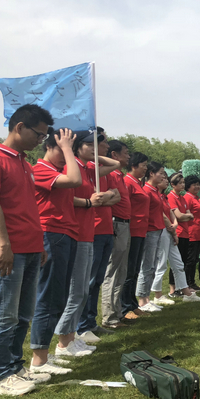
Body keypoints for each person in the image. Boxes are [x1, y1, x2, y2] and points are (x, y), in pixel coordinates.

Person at [0, 105, 52, 395]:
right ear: (20, 127)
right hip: (8, 250)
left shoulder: (25, 164)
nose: (40, 140)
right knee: (6, 315)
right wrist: (4, 245)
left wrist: (39, 243)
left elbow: (29, 207)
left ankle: (14, 366)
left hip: (31, 248)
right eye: (39, 134)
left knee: (23, 315)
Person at [53, 129, 119, 357]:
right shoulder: (71, 168)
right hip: (76, 233)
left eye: (96, 144)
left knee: (81, 290)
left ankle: (70, 338)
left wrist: (93, 155)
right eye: (89, 145)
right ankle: (64, 342)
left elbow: (114, 164)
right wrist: (89, 202)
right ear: (77, 146)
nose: (95, 148)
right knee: (76, 291)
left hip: (88, 234)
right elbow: (63, 198)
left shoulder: (89, 168)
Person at [30, 128, 82, 375]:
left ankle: (43, 355)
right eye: (61, 150)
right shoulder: (41, 169)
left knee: (58, 297)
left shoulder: (57, 171)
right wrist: (68, 148)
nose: (66, 156)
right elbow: (75, 180)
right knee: (49, 297)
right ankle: (39, 359)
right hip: (52, 233)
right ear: (49, 147)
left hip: (66, 233)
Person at [77, 133, 121, 342]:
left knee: (97, 280)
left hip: (106, 230)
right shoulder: (86, 169)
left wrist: (108, 195)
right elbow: (94, 200)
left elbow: (116, 196)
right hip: (92, 230)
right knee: (88, 280)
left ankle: (91, 322)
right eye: (99, 143)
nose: (105, 146)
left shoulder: (100, 170)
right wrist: (106, 197)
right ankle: (81, 326)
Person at [150, 176, 200, 304]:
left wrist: (175, 226)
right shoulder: (158, 195)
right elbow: (167, 215)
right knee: (161, 264)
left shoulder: (164, 197)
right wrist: (174, 226)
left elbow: (173, 214)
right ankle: (157, 295)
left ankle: (186, 292)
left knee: (179, 263)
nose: (165, 181)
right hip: (163, 230)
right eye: (162, 178)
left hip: (172, 231)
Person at [100, 140, 132, 330]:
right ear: (114, 155)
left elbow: (118, 196)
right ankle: (109, 316)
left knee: (122, 271)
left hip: (125, 225)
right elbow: (111, 197)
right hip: (116, 224)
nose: (128, 156)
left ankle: (117, 313)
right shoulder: (110, 174)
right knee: (112, 271)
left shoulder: (119, 175)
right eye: (125, 153)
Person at [135, 162, 171, 312]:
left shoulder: (156, 191)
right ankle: (142, 300)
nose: (163, 176)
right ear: (151, 173)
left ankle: (147, 298)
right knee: (147, 266)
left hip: (157, 230)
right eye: (161, 173)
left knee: (153, 266)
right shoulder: (147, 191)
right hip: (149, 230)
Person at [120, 152, 150, 320]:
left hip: (141, 231)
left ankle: (132, 304)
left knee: (135, 270)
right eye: (143, 165)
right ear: (133, 166)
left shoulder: (138, 183)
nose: (145, 168)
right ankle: (125, 307)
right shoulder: (127, 182)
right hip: (132, 230)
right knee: (129, 270)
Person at [166, 172, 194, 296]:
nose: (183, 185)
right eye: (180, 183)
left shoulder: (182, 198)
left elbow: (189, 214)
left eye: (183, 183)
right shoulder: (171, 197)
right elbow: (179, 216)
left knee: (183, 261)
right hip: (178, 232)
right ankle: (173, 289)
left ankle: (181, 287)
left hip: (186, 232)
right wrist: (186, 216)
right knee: (176, 262)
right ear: (173, 184)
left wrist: (186, 216)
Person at [183, 175, 200, 290]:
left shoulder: (196, 198)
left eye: (198, 184)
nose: (197, 187)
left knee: (194, 260)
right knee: (190, 260)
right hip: (191, 233)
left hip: (199, 233)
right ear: (188, 186)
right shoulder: (187, 198)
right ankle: (187, 283)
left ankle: (192, 282)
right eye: (194, 185)